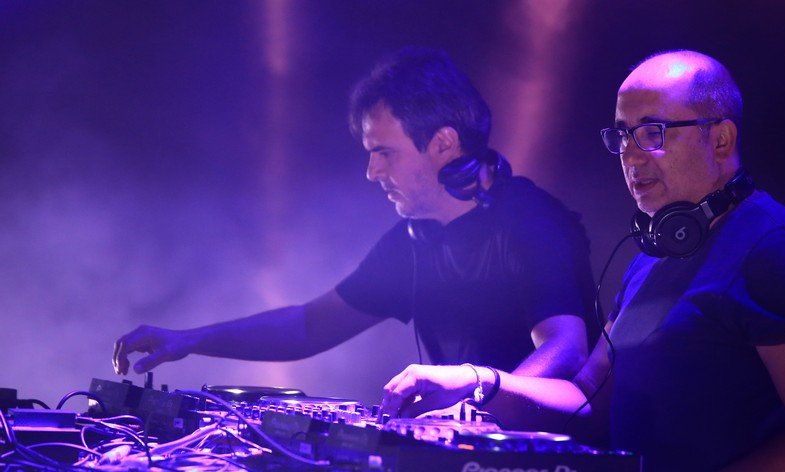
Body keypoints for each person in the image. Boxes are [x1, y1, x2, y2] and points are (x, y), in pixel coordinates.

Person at [380, 50, 785, 472]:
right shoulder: (655, 255)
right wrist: (478, 383)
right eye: (622, 135)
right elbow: (585, 399)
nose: (631, 155)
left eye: (652, 132)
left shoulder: (772, 248)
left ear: (721, 139)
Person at [113, 48, 597, 393]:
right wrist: (191, 340)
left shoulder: (529, 222)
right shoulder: (416, 238)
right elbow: (309, 327)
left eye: (385, 153)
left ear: (444, 144)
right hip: (464, 457)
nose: (372, 172)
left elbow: (566, 349)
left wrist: (472, 409)